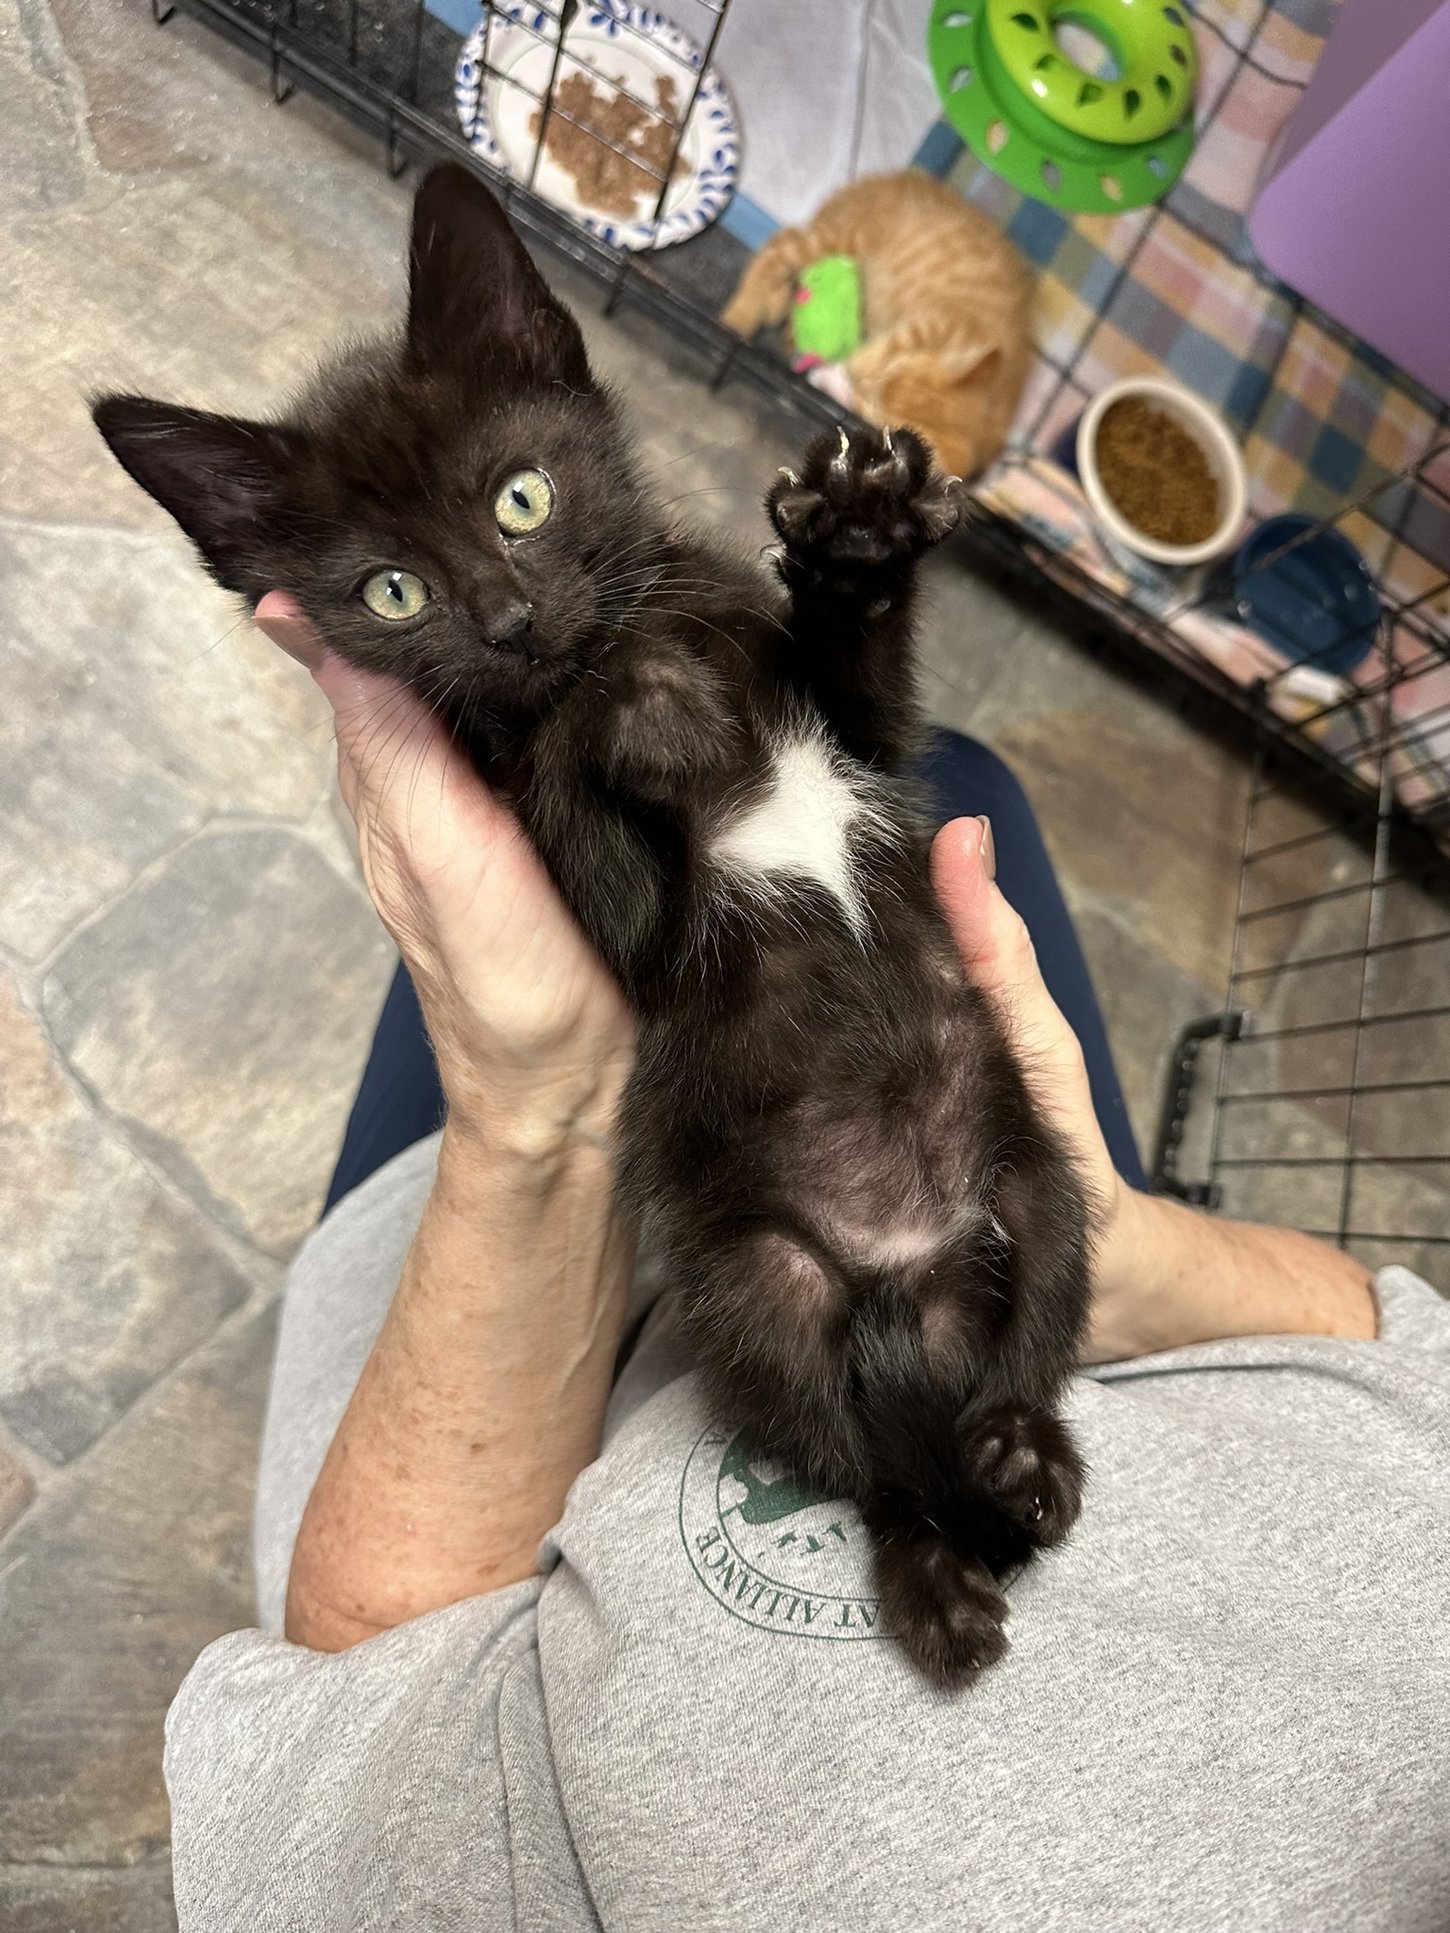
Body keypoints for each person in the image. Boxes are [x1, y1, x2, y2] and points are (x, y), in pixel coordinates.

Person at [163, 594, 1450, 1932]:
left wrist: (532, 1107)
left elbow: (364, 1722)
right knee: (955, 771)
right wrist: (1122, 1256)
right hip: (1015, 1233)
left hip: (550, 1287)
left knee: (555, 862)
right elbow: (1400, 1354)